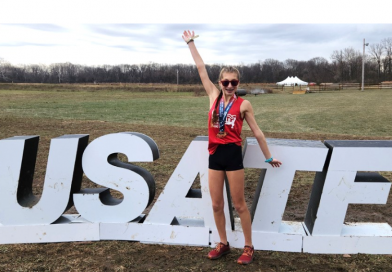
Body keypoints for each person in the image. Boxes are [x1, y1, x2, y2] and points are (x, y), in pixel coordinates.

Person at [182, 30, 282, 265]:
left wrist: (268, 157)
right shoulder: (213, 96)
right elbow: (200, 69)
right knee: (216, 204)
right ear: (220, 83)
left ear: (238, 83)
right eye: (225, 81)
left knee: (239, 204)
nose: (229, 85)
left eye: (233, 82)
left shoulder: (244, 104)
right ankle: (223, 243)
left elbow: (256, 131)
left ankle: (248, 247)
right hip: (215, 156)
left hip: (233, 155)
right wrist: (191, 43)